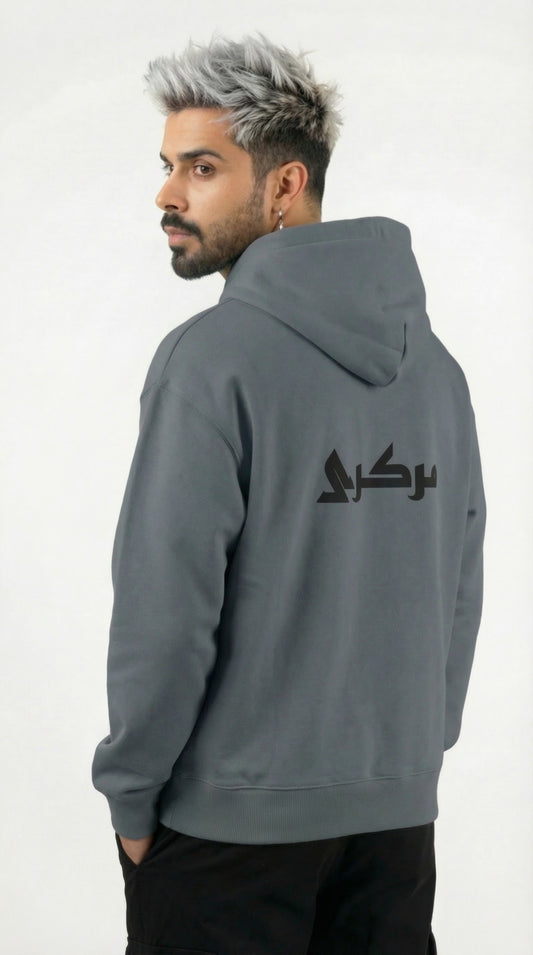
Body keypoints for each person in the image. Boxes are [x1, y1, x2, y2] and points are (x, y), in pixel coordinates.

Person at [92, 31, 486, 955]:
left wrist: (132, 795)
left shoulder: (209, 361)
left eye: (201, 168)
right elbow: (459, 584)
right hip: (393, 830)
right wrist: (407, 756)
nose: (167, 194)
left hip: (226, 836)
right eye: (167, 166)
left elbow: (165, 607)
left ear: (283, 186)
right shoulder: (436, 370)